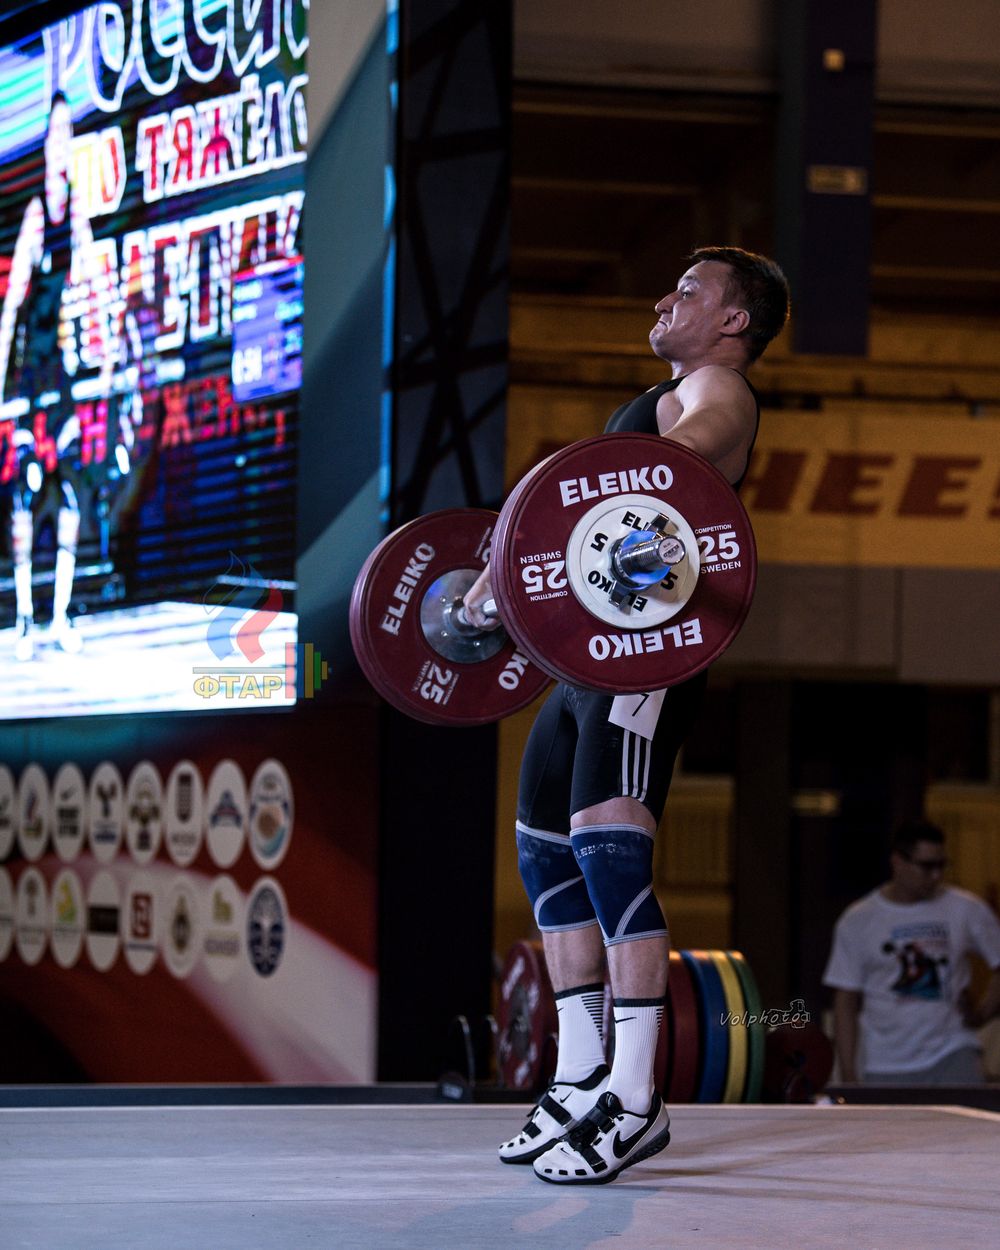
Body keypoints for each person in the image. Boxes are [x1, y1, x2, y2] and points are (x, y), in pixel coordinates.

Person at [464, 246, 790, 1184]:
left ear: (733, 322)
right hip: (588, 661)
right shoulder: (661, 398)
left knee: (610, 851)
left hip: (650, 660)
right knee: (545, 851)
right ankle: (575, 1080)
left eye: (688, 291)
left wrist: (578, 499)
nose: (662, 299)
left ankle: (636, 1098)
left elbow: (684, 456)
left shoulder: (718, 391)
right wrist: (510, 571)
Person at [0, 92, 93, 660]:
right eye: (55, 133)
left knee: (72, 494)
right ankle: (23, 621)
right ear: (45, 144)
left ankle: (59, 618)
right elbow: (12, 306)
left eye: (68, 134)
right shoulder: (38, 215)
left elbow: (92, 273)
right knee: (26, 494)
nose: (62, 144)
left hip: (60, 376)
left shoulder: (74, 210)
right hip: (29, 377)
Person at [823, 819, 1000, 1085]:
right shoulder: (859, 919)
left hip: (951, 1049)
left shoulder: (965, 908)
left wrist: (983, 1013)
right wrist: (848, 1072)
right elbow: (845, 998)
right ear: (898, 862)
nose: (936, 876)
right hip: (886, 1060)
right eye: (927, 866)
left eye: (942, 865)